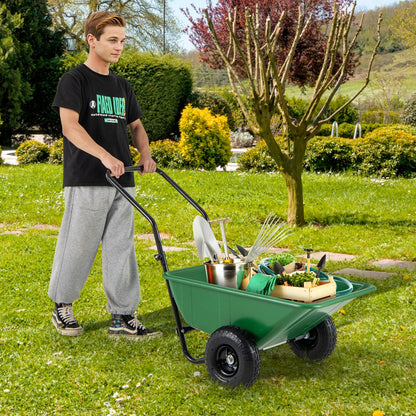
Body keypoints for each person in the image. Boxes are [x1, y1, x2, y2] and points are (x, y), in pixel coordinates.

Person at [48, 11, 160, 339]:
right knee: (78, 245)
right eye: (112, 40)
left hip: (123, 179)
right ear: (91, 40)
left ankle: (122, 316)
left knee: (121, 246)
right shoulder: (74, 80)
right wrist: (103, 155)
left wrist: (146, 153)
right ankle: (62, 306)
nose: (119, 47)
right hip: (87, 177)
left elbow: (136, 126)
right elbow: (70, 127)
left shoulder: (122, 85)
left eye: (122, 41)